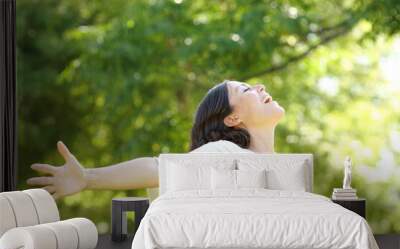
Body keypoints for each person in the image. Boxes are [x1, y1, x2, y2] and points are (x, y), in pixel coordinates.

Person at [27, 80, 285, 199]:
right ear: (232, 118)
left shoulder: (281, 165)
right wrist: (88, 178)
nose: (261, 87)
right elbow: (158, 167)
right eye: (246, 89)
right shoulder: (225, 151)